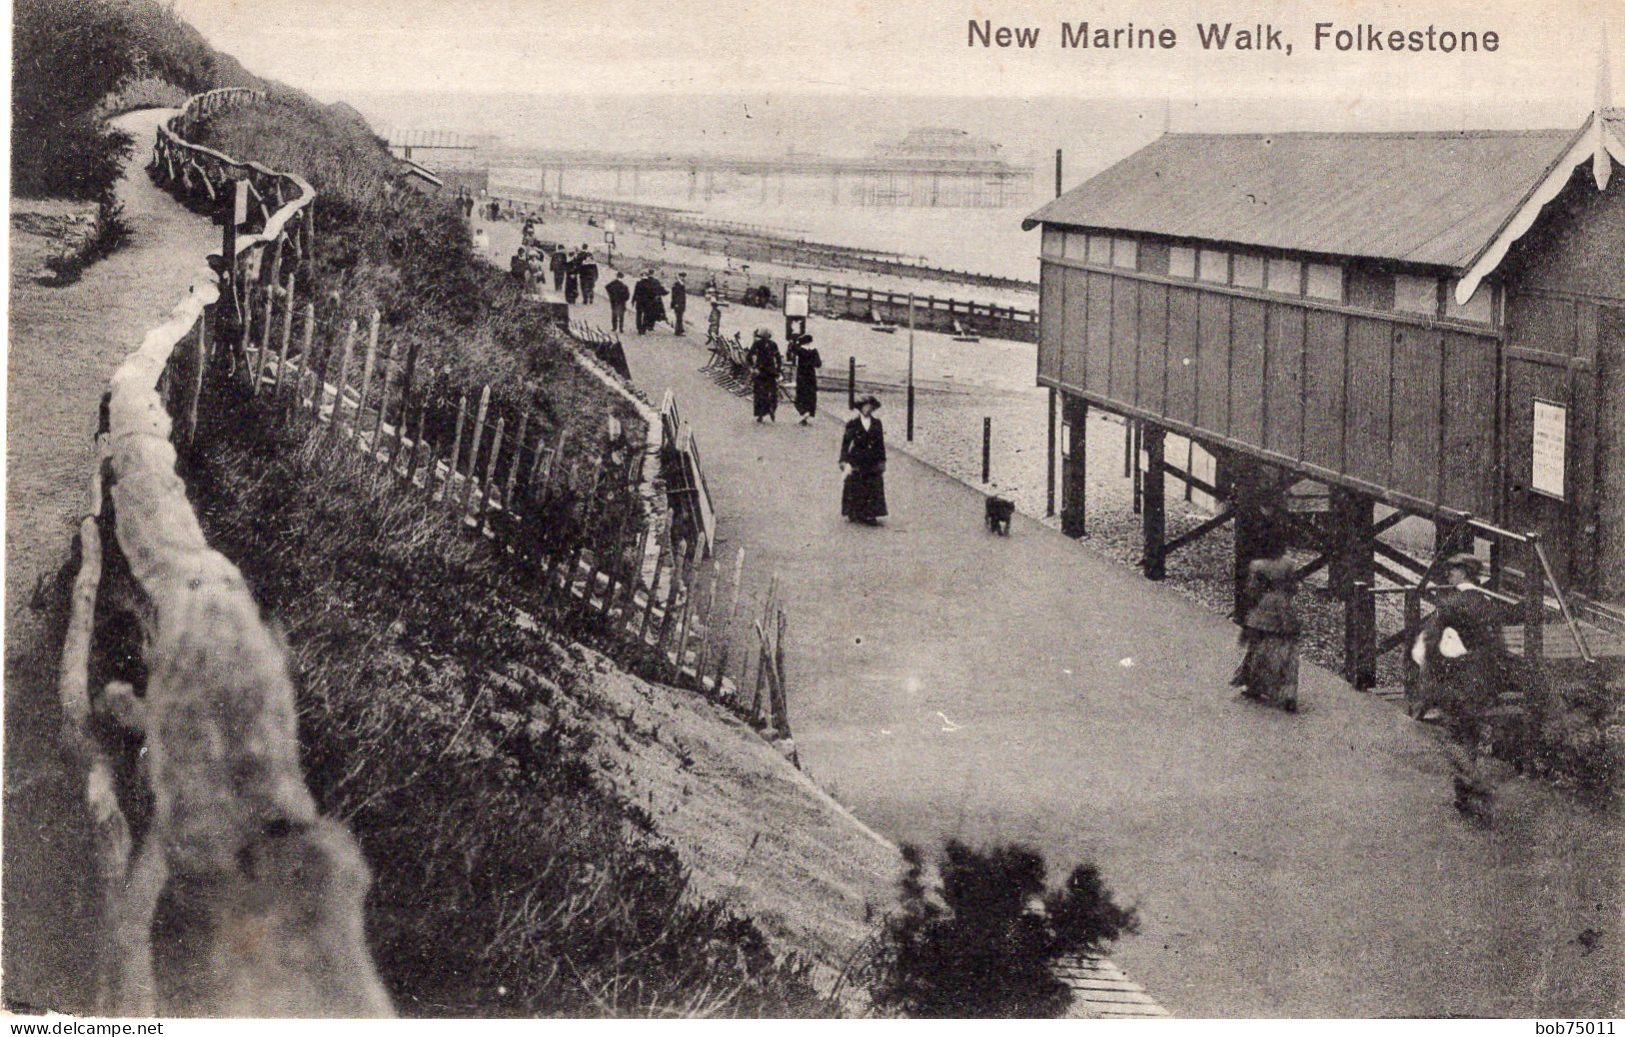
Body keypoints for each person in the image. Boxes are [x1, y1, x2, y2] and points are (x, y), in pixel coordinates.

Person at [1411, 553, 1511, 820]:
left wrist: (1430, 679)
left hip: (1461, 678)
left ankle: (1476, 783)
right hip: (1485, 678)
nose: (1449, 575)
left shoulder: (1451, 604)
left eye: (1454, 570)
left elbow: (1430, 643)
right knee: (1470, 734)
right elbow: (1499, 647)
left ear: (1465, 573)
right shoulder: (1489, 605)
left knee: (1452, 736)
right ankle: (1463, 796)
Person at [1230, 557, 1301, 712]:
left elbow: (1252, 590)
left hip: (1264, 609)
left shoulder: (1257, 565)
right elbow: (1293, 588)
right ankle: (1289, 692)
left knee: (1258, 648)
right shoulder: (1288, 564)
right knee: (1287, 651)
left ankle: (1255, 685)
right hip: (1284, 610)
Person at [840, 395, 887, 525]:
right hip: (857, 458)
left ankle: (870, 513)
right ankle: (854, 511)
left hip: (872, 458)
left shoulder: (877, 423)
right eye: (865, 406)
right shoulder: (853, 423)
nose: (868, 409)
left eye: (870, 406)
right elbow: (846, 443)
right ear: (860, 408)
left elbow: (880, 443)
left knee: (872, 485)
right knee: (856, 484)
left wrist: (882, 461)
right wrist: (843, 460)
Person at [746, 328, 782, 422]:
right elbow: (778, 359)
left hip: (760, 371)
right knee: (772, 391)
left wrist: (753, 368)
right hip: (771, 371)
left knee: (759, 393)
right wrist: (778, 370)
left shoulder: (757, 344)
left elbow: (749, 356)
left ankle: (760, 414)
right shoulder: (773, 344)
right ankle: (771, 408)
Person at [786, 332, 822, 424]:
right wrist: (811, 363)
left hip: (802, 374)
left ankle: (803, 411)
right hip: (811, 374)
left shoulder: (800, 350)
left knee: (801, 393)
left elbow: (791, 350)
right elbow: (818, 364)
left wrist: (793, 342)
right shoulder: (814, 351)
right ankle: (809, 411)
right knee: (810, 393)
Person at [633, 270, 668, 334]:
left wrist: (633, 301)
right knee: (647, 315)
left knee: (640, 315)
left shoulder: (639, 283)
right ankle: (645, 328)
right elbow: (654, 291)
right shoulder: (652, 282)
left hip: (640, 302)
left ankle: (640, 328)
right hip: (648, 302)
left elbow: (635, 293)